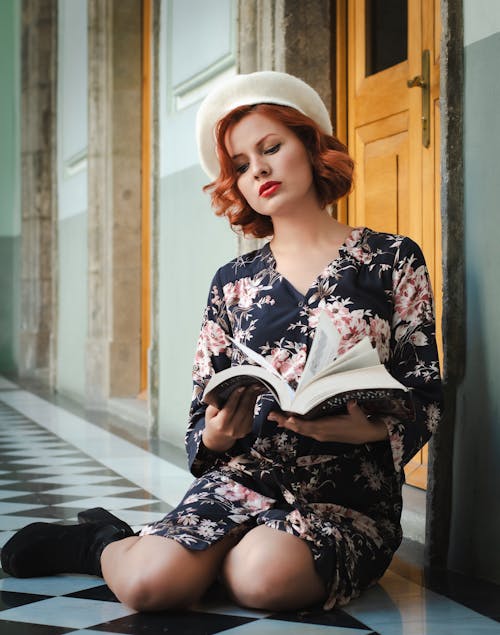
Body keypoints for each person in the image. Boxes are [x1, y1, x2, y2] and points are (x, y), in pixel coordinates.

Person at [1, 71, 442, 612]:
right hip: (246, 478)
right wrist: (214, 436)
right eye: (240, 165)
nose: (257, 169)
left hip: (347, 499)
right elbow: (199, 416)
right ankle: (102, 543)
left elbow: (425, 394)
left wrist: (366, 429)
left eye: (271, 148)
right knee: (147, 588)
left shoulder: (393, 258)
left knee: (265, 580)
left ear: (309, 145)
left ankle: (207, 553)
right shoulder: (231, 282)